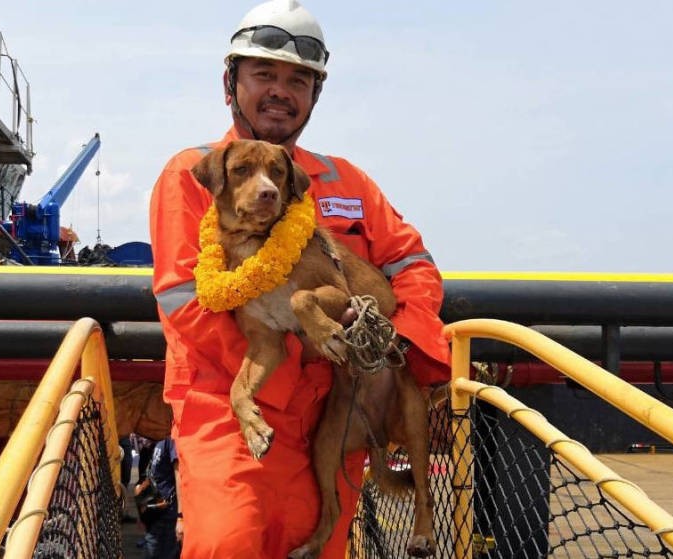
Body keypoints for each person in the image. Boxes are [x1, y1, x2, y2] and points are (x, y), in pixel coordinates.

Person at [148, 1, 451, 557]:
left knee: (320, 547)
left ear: (315, 94)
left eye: (299, 80)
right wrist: (300, 362)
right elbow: (183, 299)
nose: (281, 91)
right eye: (264, 74)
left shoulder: (345, 180)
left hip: (336, 414)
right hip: (235, 409)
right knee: (228, 544)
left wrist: (397, 342)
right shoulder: (193, 175)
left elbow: (412, 265)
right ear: (230, 82)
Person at [137, 437, 180, 559]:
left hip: (168, 511)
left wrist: (180, 516)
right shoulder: (158, 439)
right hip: (155, 510)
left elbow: (179, 475)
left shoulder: (172, 440)